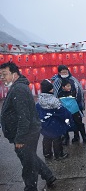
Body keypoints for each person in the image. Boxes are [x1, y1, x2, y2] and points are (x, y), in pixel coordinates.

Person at [0, 61, 56, 190]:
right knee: (30, 157)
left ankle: (30, 188)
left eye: (4, 74)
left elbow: (23, 117)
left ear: (14, 74)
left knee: (28, 164)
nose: (2, 78)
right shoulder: (16, 87)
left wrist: (20, 138)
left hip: (26, 133)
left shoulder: (19, 89)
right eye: (0, 75)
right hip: (25, 131)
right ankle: (48, 176)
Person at [36, 79, 72, 160]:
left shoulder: (39, 100)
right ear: (50, 90)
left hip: (44, 124)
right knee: (57, 140)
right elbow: (63, 112)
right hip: (55, 124)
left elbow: (37, 112)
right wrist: (68, 119)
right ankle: (59, 155)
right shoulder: (54, 101)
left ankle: (47, 154)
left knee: (46, 139)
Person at [53, 65, 86, 145]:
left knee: (78, 122)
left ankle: (79, 136)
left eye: (66, 71)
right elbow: (55, 94)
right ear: (59, 73)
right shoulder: (57, 81)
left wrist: (80, 103)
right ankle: (66, 137)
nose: (65, 73)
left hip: (75, 106)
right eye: (62, 72)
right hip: (63, 109)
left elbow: (79, 91)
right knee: (65, 123)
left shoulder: (73, 80)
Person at [58, 79, 86, 143]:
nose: (69, 87)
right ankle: (67, 138)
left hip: (75, 111)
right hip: (66, 113)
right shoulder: (60, 94)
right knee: (66, 124)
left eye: (70, 86)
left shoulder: (73, 92)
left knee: (79, 124)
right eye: (67, 86)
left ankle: (83, 137)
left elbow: (79, 98)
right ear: (63, 87)